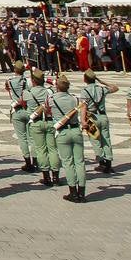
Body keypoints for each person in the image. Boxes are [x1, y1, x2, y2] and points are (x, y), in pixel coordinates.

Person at [50, 74, 86, 202]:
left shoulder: (51, 99)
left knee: (68, 163)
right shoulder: (75, 99)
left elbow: (48, 111)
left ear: (57, 87)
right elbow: (83, 108)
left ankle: (73, 192)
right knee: (80, 162)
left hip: (62, 132)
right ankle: (82, 192)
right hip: (76, 130)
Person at [23, 68, 60, 186]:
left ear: (33, 81)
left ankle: (46, 176)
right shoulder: (50, 92)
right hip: (49, 121)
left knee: (41, 149)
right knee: (53, 149)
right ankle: (56, 176)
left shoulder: (27, 93)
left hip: (36, 122)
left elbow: (24, 105)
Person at [80, 69, 119, 172]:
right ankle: (108, 162)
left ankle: (102, 162)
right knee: (106, 139)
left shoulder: (85, 91)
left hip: (92, 118)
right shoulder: (102, 89)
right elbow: (115, 88)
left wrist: (83, 121)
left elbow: (83, 107)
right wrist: (102, 82)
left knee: (95, 140)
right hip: (103, 116)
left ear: (85, 79)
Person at [4, 61, 35, 172]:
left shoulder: (10, 81)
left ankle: (27, 161)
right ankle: (35, 160)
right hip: (28, 109)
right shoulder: (28, 81)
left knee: (22, 138)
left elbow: (7, 88)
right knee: (32, 137)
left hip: (17, 110)